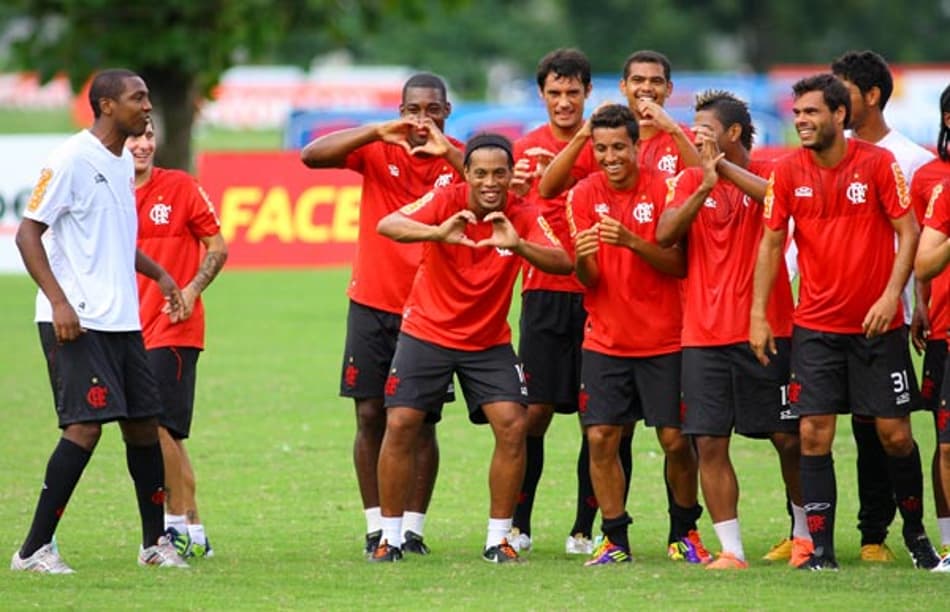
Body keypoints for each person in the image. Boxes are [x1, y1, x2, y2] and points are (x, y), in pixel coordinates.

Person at [751, 73, 941, 571]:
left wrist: (888, 298)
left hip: (877, 329)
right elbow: (771, 244)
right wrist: (758, 315)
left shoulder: (878, 165)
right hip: (815, 328)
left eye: (810, 113)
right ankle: (820, 550)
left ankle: (919, 538)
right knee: (813, 433)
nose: (801, 122)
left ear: (839, 115)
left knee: (895, 435)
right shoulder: (788, 171)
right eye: (796, 114)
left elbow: (909, 231)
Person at [10, 69, 188, 573]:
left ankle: (154, 545)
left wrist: (162, 276)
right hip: (77, 320)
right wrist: (60, 302)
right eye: (138, 98)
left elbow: (114, 240)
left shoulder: (118, 163)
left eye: (149, 97)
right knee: (85, 428)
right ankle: (33, 550)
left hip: (121, 321)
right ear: (107, 105)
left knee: (142, 427)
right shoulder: (71, 159)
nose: (147, 106)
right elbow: (28, 234)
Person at [373, 133, 572, 563]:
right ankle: (390, 538)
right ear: (465, 174)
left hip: (488, 342)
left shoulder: (523, 213)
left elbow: (564, 261)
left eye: (499, 173)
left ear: (510, 174)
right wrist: (437, 232)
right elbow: (387, 224)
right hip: (426, 332)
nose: (489, 182)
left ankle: (498, 538)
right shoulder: (446, 200)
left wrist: (519, 244)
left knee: (513, 425)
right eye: (480, 173)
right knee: (403, 421)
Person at [300, 73, 463, 556]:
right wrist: (375, 132)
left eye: (432, 110)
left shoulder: (459, 157)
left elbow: (489, 183)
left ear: (446, 112)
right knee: (370, 413)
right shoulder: (378, 148)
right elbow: (311, 156)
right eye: (413, 110)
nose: (421, 120)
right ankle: (377, 527)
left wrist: (448, 153)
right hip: (372, 300)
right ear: (400, 111)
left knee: (421, 421)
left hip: (433, 310)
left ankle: (412, 529)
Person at [656, 90, 808, 569]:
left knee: (788, 438)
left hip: (768, 327)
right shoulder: (686, 182)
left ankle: (804, 536)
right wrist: (703, 183)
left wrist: (717, 168)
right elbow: (663, 235)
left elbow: (775, 201)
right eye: (694, 128)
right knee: (708, 441)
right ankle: (732, 550)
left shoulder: (773, 172)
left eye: (704, 128)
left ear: (733, 133)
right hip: (702, 334)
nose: (696, 135)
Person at [567, 104, 703, 566]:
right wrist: (585, 258)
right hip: (605, 341)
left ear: (636, 146)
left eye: (619, 147)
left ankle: (684, 532)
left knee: (674, 441)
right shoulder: (582, 195)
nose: (610, 156)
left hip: (665, 340)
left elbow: (680, 263)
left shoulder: (664, 190)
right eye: (601, 148)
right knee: (601, 437)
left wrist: (631, 242)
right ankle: (614, 538)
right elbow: (589, 279)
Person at [828, 50, 937, 563]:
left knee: (883, 427)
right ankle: (812, 533)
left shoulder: (909, 160)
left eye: (842, 89)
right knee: (813, 426)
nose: (831, 101)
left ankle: (880, 532)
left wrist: (917, 303)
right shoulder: (828, 150)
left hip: (888, 317)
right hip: (828, 317)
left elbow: (918, 241)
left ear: (870, 96)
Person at [506, 48, 601, 556]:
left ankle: (586, 528)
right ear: (541, 95)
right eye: (554, 93)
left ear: (588, 93)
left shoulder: (607, 144)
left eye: (572, 92)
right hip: (543, 293)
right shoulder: (524, 149)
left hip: (600, 295)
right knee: (533, 414)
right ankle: (519, 523)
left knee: (598, 417)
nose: (563, 101)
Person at [127, 118, 228, 558]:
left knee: (157, 427)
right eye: (135, 136)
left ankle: (170, 528)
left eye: (149, 135)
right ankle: (194, 531)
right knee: (166, 434)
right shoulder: (104, 192)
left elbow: (218, 246)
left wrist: (190, 291)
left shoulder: (181, 187)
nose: (144, 144)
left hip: (173, 325)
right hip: (124, 327)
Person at [538, 49, 698, 201]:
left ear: (668, 89)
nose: (647, 88)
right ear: (623, 87)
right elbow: (547, 190)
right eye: (638, 80)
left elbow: (705, 186)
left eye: (656, 81)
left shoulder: (682, 136)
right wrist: (584, 132)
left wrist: (673, 130)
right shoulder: (602, 138)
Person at [912, 83, 950, 568]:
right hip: (942, 327)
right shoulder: (931, 180)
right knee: (945, 443)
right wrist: (919, 308)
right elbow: (923, 261)